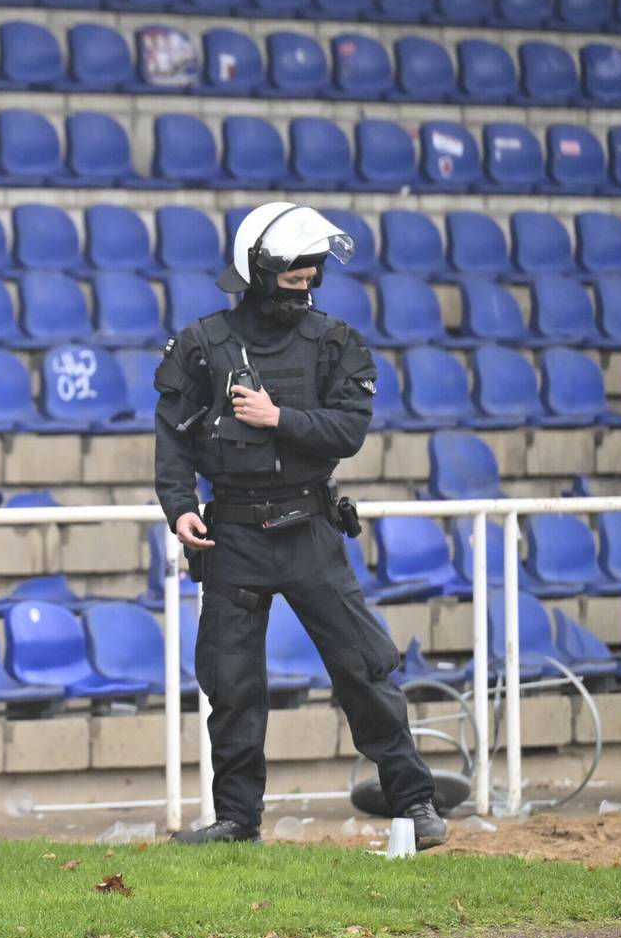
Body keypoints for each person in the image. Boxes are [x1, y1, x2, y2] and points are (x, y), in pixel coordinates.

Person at [152, 204, 445, 851]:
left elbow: (348, 430)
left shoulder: (335, 341)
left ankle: (416, 805)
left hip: (309, 525)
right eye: (293, 271)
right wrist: (179, 506)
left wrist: (276, 416)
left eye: (312, 273)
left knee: (363, 670)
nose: (306, 281)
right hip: (232, 531)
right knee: (230, 683)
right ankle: (235, 821)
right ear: (258, 270)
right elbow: (171, 443)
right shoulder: (202, 345)